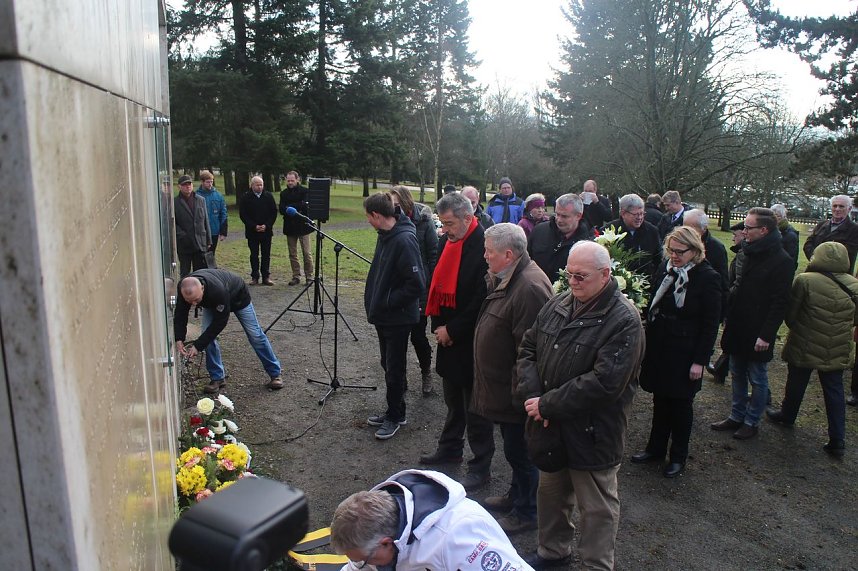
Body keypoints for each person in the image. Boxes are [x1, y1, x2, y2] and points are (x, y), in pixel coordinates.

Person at [517, 240, 644, 570]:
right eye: (568, 274)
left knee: (597, 508)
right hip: (551, 424)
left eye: (580, 276)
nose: (572, 282)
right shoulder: (560, 302)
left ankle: (596, 565)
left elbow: (605, 383)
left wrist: (547, 404)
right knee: (552, 496)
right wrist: (534, 396)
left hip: (593, 433)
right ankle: (553, 552)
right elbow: (529, 347)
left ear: (605, 275)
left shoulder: (624, 320)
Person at [472, 223, 552, 534]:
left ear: (508, 254)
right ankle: (516, 496)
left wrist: (522, 396)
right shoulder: (508, 277)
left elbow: (529, 350)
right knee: (514, 450)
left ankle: (527, 512)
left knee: (522, 453)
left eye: (489, 252)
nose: (484, 256)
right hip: (505, 389)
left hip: (516, 394)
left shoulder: (529, 288)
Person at [632, 227, 722, 478]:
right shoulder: (666, 269)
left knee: (681, 406)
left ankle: (678, 456)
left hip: (685, 351)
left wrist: (700, 361)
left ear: (695, 251)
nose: (674, 256)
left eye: (680, 252)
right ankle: (655, 448)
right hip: (661, 346)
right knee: (660, 399)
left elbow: (710, 324)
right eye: (670, 250)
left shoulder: (707, 277)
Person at [420, 192, 495, 491]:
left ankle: (481, 466)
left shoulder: (484, 245)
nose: (445, 229)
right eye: (443, 223)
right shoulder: (446, 241)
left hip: (472, 337)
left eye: (450, 223)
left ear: (468, 217)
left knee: (476, 406)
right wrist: (439, 327)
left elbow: (482, 298)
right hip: (448, 335)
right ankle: (449, 448)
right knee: (453, 399)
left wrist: (453, 330)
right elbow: (437, 285)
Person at [329, 469, 534, 571]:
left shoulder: (460, 540)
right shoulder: (380, 532)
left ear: (385, 542)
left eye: (364, 560)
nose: (360, 565)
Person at [766, 241, 858, 458]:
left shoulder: (805, 280)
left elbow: (791, 315)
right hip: (837, 345)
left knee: (797, 380)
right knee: (834, 390)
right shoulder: (854, 285)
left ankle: (787, 415)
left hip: (805, 341)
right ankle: (838, 439)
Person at [711, 207, 793, 440]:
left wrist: (766, 335)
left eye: (748, 227)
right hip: (738, 324)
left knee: (757, 377)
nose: (743, 231)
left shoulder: (782, 261)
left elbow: (780, 302)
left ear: (764, 230)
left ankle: (751, 420)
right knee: (736, 371)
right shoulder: (748, 252)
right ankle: (736, 415)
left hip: (758, 329)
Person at [363, 193, 425, 440]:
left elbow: (417, 284)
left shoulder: (404, 240)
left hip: (397, 318)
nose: (368, 221)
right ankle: (394, 409)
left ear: (377, 215)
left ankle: (396, 416)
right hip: (384, 316)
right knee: (387, 364)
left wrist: (388, 301)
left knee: (394, 368)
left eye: (368, 216)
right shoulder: (386, 236)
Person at [174, 269, 283, 393]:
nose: (193, 304)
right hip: (212, 302)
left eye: (197, 300)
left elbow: (220, 322)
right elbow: (180, 314)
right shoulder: (184, 288)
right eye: (190, 302)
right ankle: (217, 378)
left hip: (238, 298)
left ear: (202, 288)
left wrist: (198, 345)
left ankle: (275, 374)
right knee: (207, 335)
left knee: (255, 335)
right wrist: (179, 338)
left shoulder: (217, 290)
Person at [388, 185, 438, 395]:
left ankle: (426, 372)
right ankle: (400, 378)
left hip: (419, 286)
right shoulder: (390, 222)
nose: (393, 208)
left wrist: (428, 285)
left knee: (418, 336)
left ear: (405, 202)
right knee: (397, 338)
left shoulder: (424, 222)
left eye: (396, 204)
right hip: (398, 287)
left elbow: (433, 254)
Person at [528, 193, 593, 283]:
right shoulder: (539, 231)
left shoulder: (587, 245)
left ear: (578, 216)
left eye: (564, 216)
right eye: (557, 214)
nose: (559, 220)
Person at [606, 193, 662, 291]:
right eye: (636, 214)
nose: (640, 218)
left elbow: (658, 259)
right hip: (616, 288)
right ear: (623, 213)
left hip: (645, 287)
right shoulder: (610, 231)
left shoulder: (651, 231)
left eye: (642, 213)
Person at [683, 208, 729, 309]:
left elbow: (722, 281)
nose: (686, 232)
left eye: (691, 228)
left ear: (704, 228)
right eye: (684, 227)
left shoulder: (716, 248)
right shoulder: (680, 244)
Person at [238, 176, 278, 285]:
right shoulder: (246, 197)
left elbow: (274, 212)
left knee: (266, 254)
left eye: (261, 184)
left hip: (266, 231)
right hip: (252, 232)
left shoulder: (268, 196)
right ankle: (254, 276)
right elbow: (243, 214)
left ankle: (266, 276)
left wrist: (267, 225)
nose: (259, 187)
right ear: (252, 185)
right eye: (257, 185)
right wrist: (254, 226)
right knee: (254, 255)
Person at [803, 195, 858, 272]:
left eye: (841, 206)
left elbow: (847, 253)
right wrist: (814, 258)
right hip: (814, 271)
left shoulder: (854, 230)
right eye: (834, 206)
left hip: (837, 275)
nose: (837, 209)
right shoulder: (821, 225)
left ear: (849, 209)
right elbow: (808, 244)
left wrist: (819, 258)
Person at [278, 170, 315, 286]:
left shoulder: (305, 191)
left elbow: (305, 206)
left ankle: (309, 276)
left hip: (303, 226)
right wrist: (295, 207)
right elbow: (281, 209)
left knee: (306, 253)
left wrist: (290, 208)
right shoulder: (283, 194)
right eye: (288, 180)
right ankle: (296, 275)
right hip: (290, 227)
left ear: (297, 180)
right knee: (292, 253)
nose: (290, 182)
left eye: (292, 180)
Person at [174, 174, 211, 277]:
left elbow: (205, 220)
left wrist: (208, 240)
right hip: (184, 244)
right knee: (185, 272)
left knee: (200, 273)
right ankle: (184, 292)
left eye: (189, 184)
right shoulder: (175, 202)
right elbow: (173, 223)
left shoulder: (200, 200)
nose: (187, 186)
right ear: (179, 187)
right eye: (184, 185)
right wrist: (182, 235)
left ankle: (199, 292)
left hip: (200, 242)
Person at [196, 170, 227, 264]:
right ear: (202, 182)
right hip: (201, 231)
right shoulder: (197, 196)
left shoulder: (218, 196)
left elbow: (223, 213)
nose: (210, 184)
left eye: (211, 181)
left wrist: (223, 231)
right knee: (200, 255)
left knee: (211, 255)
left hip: (214, 230)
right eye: (207, 182)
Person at [771, 203, 799, 270]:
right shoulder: (771, 230)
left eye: (777, 215)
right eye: (772, 215)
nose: (773, 218)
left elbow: (791, 258)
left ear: (783, 217)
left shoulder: (790, 235)